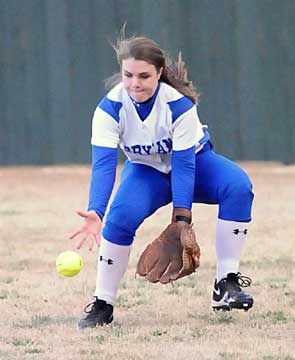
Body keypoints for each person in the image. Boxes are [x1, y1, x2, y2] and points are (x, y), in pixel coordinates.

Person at [70, 34, 254, 329]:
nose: (135, 83)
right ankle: (103, 303)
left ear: (159, 73)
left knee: (238, 187)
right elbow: (104, 164)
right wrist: (96, 211)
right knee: (119, 219)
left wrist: (182, 218)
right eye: (128, 75)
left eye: (144, 75)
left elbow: (183, 164)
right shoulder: (110, 109)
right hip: (146, 172)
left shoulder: (177, 105)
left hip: (195, 163)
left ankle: (226, 283)